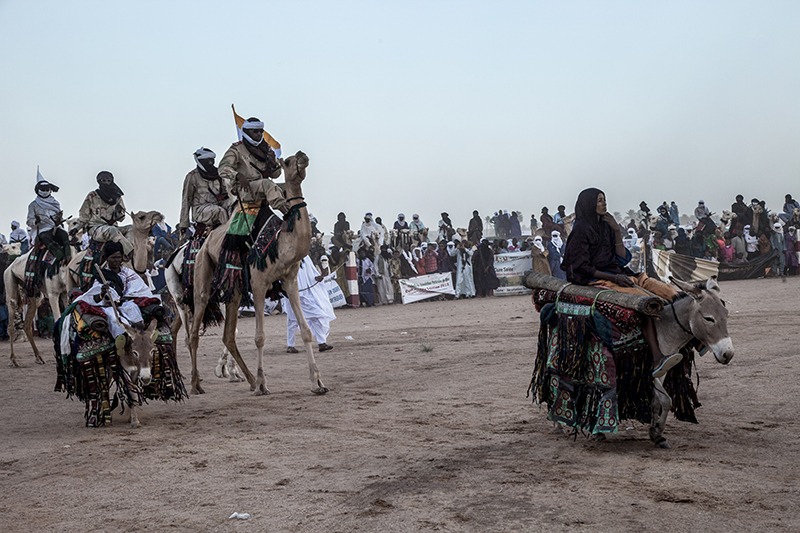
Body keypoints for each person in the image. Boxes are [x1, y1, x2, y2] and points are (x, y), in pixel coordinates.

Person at [561, 188, 681, 378]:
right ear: (589, 204)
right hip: (598, 279)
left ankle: (695, 339)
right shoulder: (581, 230)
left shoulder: (607, 227)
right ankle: (657, 357)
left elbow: (623, 260)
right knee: (645, 301)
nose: (604, 203)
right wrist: (614, 278)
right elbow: (579, 267)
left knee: (666, 290)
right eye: (599, 200)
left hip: (620, 273)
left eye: (604, 200)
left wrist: (617, 231)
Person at [75, 242, 154, 356]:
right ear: (107, 258)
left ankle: (141, 337)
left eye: (119, 257)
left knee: (133, 309)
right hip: (108, 305)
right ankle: (120, 341)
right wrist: (102, 292)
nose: (116, 260)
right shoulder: (102, 275)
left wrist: (125, 299)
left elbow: (139, 289)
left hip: (126, 302)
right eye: (113, 258)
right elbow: (95, 298)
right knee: (113, 318)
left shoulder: (128, 273)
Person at [219, 117, 286, 215]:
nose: (259, 134)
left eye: (260, 131)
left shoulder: (266, 149)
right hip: (245, 189)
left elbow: (276, 175)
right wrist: (237, 175)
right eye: (255, 131)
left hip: (262, 188)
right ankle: (287, 214)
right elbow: (222, 168)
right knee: (267, 184)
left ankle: (297, 216)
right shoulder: (236, 149)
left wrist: (273, 163)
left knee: (288, 187)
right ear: (246, 132)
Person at [283, 256, 335, 353]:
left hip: (308, 294)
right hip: (291, 294)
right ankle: (290, 345)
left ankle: (322, 343)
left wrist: (317, 278)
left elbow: (311, 272)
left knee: (320, 316)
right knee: (292, 320)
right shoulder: (287, 256)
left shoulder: (305, 257)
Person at [179, 147, 230, 238]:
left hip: (219, 204)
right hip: (201, 210)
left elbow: (226, 192)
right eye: (208, 160)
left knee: (233, 204)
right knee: (219, 211)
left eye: (212, 160)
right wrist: (184, 223)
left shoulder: (218, 173)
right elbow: (186, 200)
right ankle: (227, 237)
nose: (211, 163)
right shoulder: (192, 176)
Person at [77, 171, 132, 254]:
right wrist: (76, 228)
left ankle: (129, 251)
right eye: (104, 181)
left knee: (132, 228)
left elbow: (122, 218)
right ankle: (130, 252)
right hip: (96, 229)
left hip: (113, 228)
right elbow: (84, 216)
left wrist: (119, 212)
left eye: (108, 181)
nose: (106, 183)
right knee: (111, 230)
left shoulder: (117, 197)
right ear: (99, 182)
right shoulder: (92, 196)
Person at [26, 171, 71, 264]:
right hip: (42, 229)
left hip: (55, 227)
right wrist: (36, 221)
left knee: (64, 235)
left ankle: (68, 255)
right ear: (38, 190)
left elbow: (57, 218)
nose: (45, 192)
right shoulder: (33, 205)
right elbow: (29, 221)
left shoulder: (55, 203)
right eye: (43, 190)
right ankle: (60, 257)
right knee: (45, 237)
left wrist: (59, 218)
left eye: (47, 190)